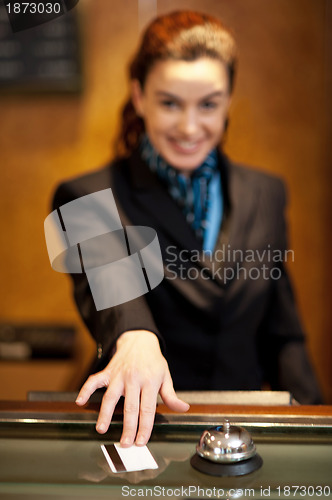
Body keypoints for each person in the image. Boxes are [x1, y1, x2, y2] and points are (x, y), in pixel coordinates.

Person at [52, 10, 322, 447]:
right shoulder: (84, 197)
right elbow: (111, 281)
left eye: (208, 104)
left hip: (242, 433)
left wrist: (314, 430)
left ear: (229, 100)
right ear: (139, 97)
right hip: (139, 429)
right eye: (170, 103)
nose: (189, 126)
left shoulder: (267, 193)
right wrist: (134, 336)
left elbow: (283, 333)